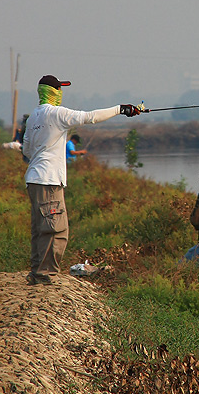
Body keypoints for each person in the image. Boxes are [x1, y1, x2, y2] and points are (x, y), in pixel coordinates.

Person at [22, 75, 142, 285]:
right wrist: (121, 109)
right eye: (60, 89)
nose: (62, 93)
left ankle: (37, 272)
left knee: (40, 228)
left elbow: (27, 150)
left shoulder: (33, 117)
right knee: (56, 229)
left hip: (33, 179)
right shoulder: (56, 113)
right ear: (53, 92)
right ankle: (44, 275)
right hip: (49, 180)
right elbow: (90, 117)